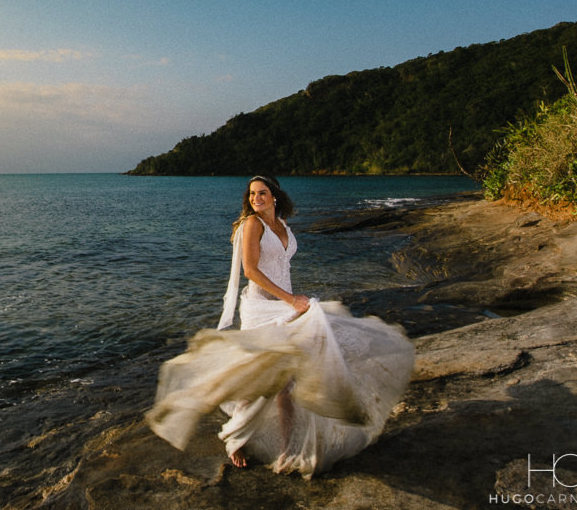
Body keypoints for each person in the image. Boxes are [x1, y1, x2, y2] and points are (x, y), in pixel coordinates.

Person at [145, 176, 415, 478]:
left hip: (285, 306)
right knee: (259, 377)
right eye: (251, 194)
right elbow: (251, 271)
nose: (256, 198)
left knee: (287, 383)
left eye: (262, 193)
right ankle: (234, 439)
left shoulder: (282, 225)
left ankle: (287, 447)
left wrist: (290, 302)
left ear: (275, 196)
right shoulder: (252, 225)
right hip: (262, 309)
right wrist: (291, 300)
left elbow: (281, 267)